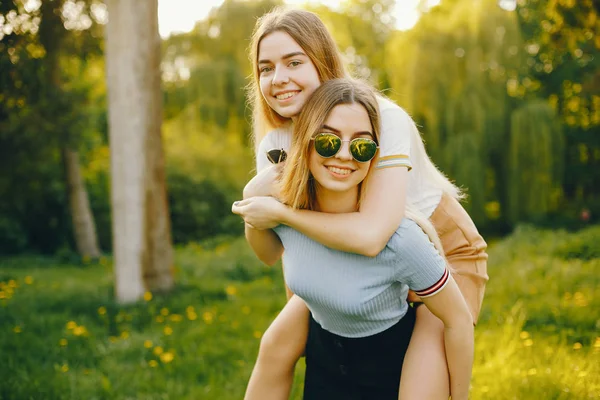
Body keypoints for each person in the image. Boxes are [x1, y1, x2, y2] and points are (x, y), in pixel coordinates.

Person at [231, 7, 488, 400]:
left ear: (322, 62)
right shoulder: (278, 142)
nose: (278, 78)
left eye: (294, 61)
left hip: (439, 254)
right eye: (265, 68)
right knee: (275, 346)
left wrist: (279, 211)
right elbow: (284, 247)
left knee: (424, 383)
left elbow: (372, 235)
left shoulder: (381, 118)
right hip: (355, 260)